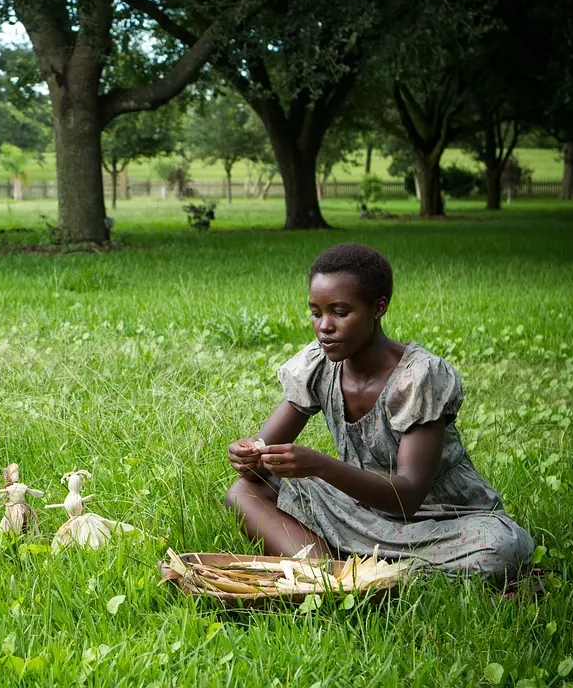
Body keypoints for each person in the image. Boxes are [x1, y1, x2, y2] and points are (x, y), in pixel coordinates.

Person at [224, 243, 534, 582]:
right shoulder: (318, 365)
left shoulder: (418, 377)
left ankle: (359, 568)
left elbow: (408, 497)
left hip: (441, 522)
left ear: (378, 307)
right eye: (316, 313)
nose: (325, 326)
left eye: (340, 312)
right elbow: (260, 458)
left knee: (503, 548)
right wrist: (248, 455)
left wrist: (320, 465)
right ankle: (333, 577)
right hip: (360, 511)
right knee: (244, 492)